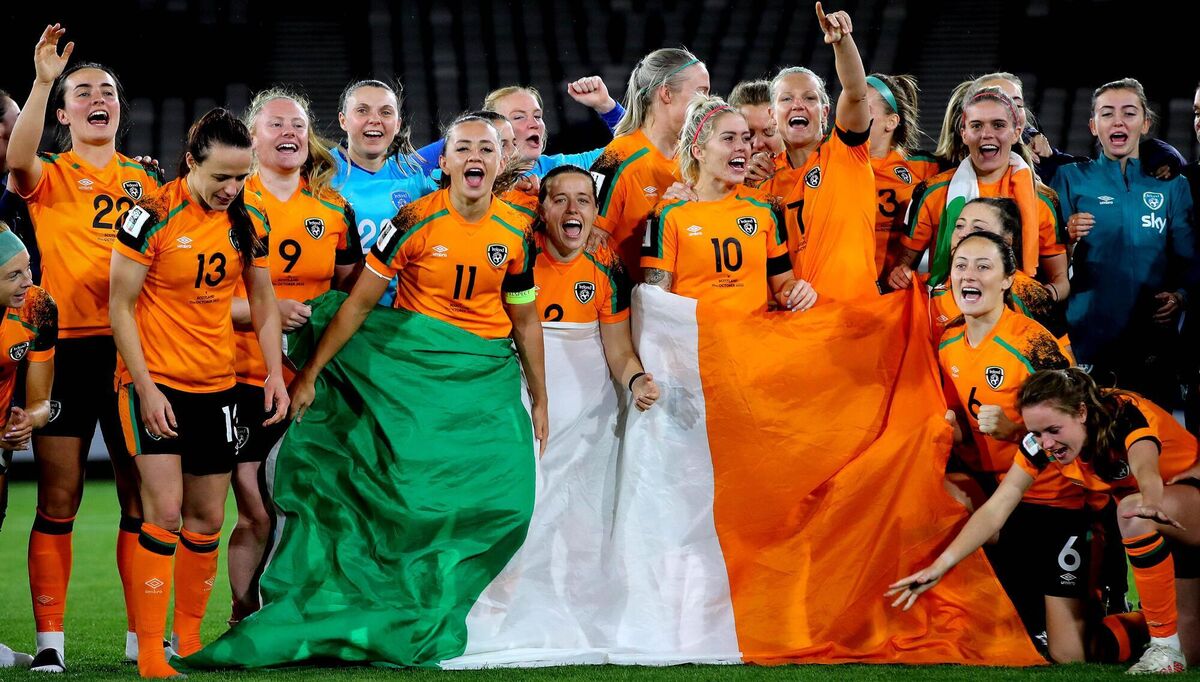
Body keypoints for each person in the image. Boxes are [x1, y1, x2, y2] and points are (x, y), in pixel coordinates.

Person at [4, 24, 163, 670]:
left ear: (119, 108)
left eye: (107, 91)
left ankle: (140, 640)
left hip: (132, 355)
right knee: (59, 498)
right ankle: (50, 645)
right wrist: (42, 81)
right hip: (63, 353)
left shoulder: (147, 182)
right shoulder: (49, 175)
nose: (98, 98)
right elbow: (16, 158)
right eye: (83, 92)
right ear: (66, 114)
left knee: (139, 499)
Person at [110, 108, 287, 678]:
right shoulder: (150, 215)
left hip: (218, 385)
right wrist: (145, 388)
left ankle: (188, 643)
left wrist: (275, 373)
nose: (231, 189)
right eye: (220, 178)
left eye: (241, 177)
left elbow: (262, 302)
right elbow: (120, 306)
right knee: (163, 513)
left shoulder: (248, 216)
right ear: (191, 163)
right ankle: (152, 654)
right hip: (155, 383)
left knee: (207, 521)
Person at [890, 366, 1200, 674]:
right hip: (1171, 529)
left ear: (1081, 412)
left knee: (1131, 512)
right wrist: (939, 566)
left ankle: (1164, 650)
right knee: (1192, 652)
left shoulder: (1120, 413)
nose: (1046, 443)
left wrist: (1152, 501)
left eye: (1053, 430)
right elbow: (996, 509)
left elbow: (1145, 467)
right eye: (1036, 432)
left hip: (1184, 499)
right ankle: (1153, 627)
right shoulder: (1041, 446)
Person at [289, 113, 547, 448]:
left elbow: (525, 320)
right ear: (443, 162)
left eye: (486, 149)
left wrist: (541, 399)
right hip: (420, 368)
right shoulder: (410, 220)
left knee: (500, 485)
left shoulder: (518, 230)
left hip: (486, 372)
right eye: (463, 148)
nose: (474, 157)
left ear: (499, 163)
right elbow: (359, 305)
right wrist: (310, 373)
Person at [225, 88, 362, 624]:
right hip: (237, 374)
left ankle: (303, 610)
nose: (289, 134)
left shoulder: (332, 208)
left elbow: (355, 291)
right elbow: (194, 293)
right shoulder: (229, 202)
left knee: (311, 502)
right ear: (253, 136)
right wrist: (264, 311)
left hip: (311, 377)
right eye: (277, 125)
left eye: (299, 126)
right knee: (253, 511)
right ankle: (242, 614)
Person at [935, 231, 1084, 661]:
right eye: (961, 265)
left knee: (1067, 655)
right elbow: (962, 428)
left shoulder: (1032, 342)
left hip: (1056, 499)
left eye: (984, 266)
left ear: (1007, 280)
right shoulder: (947, 341)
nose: (969, 275)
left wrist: (1015, 431)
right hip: (1002, 501)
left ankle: (1128, 617)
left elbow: (1079, 426)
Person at [1051, 78, 1196, 410]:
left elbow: (1190, 260)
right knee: (1092, 444)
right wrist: (1066, 234)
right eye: (1107, 114)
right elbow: (1046, 255)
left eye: (1129, 113)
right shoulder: (1070, 177)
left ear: (1145, 123)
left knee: (1151, 444)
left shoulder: (1174, 186)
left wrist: (1180, 296)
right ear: (1092, 126)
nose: (1118, 121)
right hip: (1087, 338)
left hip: (1153, 341)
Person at [887, 87, 1069, 302]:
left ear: (1017, 132)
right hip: (944, 319)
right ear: (964, 133)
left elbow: (1060, 280)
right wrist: (900, 275)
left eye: (998, 125)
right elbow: (904, 267)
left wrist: (1036, 300)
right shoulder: (932, 191)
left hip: (1013, 324)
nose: (987, 134)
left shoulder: (1043, 201)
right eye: (976, 125)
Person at [643, 96, 814, 314]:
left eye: (745, 138)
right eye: (728, 139)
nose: (743, 147)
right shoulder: (666, 214)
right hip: (696, 344)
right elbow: (655, 304)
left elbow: (782, 286)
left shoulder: (765, 207)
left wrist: (797, 292)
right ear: (699, 151)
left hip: (751, 342)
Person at [766, 2, 876, 301]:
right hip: (799, 322)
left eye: (810, 98)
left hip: (856, 319)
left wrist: (841, 42)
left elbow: (856, 93)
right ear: (771, 115)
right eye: (786, 98)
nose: (798, 105)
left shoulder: (847, 150)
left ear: (825, 112)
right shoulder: (762, 181)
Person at [535, 165, 658, 408]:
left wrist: (637, 382)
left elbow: (619, 350)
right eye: (560, 200)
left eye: (583, 200)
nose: (573, 209)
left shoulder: (610, 266)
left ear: (595, 210)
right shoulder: (519, 255)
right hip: (524, 397)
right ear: (542, 211)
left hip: (583, 405)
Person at [591, 47, 710, 277]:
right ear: (666, 94)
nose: (706, 102)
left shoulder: (697, 157)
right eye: (701, 92)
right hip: (629, 302)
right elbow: (589, 245)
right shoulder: (617, 158)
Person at [329, 79, 438, 306]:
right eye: (362, 110)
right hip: (339, 313)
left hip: (402, 317)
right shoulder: (320, 174)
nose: (375, 120)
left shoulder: (415, 177)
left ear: (397, 124)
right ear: (343, 120)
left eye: (385, 112)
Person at [412, 78, 626, 177]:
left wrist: (606, 106)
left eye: (537, 116)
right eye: (519, 117)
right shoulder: (466, 175)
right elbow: (397, 168)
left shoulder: (558, 170)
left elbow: (634, 150)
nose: (533, 123)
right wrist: (468, 136)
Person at [929, 197, 1062, 338]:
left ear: (1007, 240)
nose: (962, 234)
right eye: (959, 226)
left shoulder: (1027, 292)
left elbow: (1063, 354)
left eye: (978, 228)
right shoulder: (929, 291)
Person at [0, 221, 55, 545]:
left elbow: (41, 404)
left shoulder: (37, 307)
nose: (28, 281)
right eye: (14, 275)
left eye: (28, 268)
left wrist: (27, 421)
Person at [865, 73, 938, 278]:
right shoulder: (826, 163)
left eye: (864, 108)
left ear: (891, 122)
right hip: (838, 293)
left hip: (894, 296)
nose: (853, 114)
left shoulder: (925, 169)